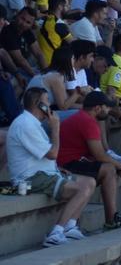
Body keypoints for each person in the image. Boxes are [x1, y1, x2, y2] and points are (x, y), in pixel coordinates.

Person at [6, 87, 96, 247]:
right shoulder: (25, 124)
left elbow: (47, 155)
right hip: (30, 179)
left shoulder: (32, 122)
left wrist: (55, 168)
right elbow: (53, 153)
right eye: (47, 101)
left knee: (89, 182)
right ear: (38, 104)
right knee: (80, 190)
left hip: (44, 173)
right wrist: (56, 128)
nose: (49, 104)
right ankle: (56, 232)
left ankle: (70, 226)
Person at [58, 91, 121, 229]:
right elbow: (100, 155)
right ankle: (112, 219)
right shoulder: (87, 121)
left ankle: (112, 218)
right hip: (67, 164)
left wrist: (118, 167)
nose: (109, 110)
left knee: (111, 168)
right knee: (109, 169)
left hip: (74, 160)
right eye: (107, 107)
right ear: (97, 108)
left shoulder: (84, 117)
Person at [0, 7, 46, 77]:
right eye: (22, 18)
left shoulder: (27, 32)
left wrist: (46, 74)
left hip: (23, 69)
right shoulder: (8, 32)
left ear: (31, 25)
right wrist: (37, 79)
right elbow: (20, 60)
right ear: (17, 15)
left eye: (28, 22)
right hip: (10, 71)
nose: (23, 24)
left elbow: (39, 54)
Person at [38, 0, 72, 64]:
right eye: (67, 5)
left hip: (38, 61)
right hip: (51, 64)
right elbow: (74, 43)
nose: (69, 7)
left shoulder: (42, 19)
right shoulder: (59, 24)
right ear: (60, 7)